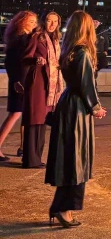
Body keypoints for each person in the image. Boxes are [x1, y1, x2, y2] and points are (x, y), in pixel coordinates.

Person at [45, 11, 107, 228]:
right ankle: (65, 209)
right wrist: (96, 108)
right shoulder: (82, 53)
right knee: (76, 159)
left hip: (68, 104)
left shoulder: (70, 49)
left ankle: (60, 207)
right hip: (77, 110)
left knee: (70, 157)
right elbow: (86, 85)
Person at [22, 12, 65, 168]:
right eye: (49, 21)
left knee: (43, 121)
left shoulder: (56, 40)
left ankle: (37, 159)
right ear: (43, 22)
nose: (52, 24)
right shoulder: (37, 37)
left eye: (55, 21)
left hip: (51, 86)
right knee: (34, 120)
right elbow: (25, 57)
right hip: (38, 83)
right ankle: (29, 160)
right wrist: (36, 59)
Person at [0, 11, 38, 161]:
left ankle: (23, 147)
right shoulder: (21, 39)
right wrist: (16, 80)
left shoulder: (22, 38)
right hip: (20, 81)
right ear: (21, 22)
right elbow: (10, 62)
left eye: (35, 22)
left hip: (22, 80)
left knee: (22, 113)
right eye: (30, 22)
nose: (34, 25)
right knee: (16, 113)